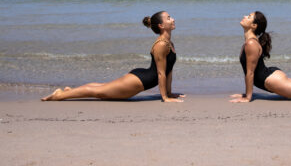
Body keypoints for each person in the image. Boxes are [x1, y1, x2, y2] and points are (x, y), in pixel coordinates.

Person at [42, 11, 185, 103]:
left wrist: (169, 93)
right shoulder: (161, 45)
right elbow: (161, 73)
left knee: (103, 87)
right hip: (138, 82)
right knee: (99, 93)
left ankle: (70, 91)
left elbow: (169, 70)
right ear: (161, 25)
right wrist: (165, 98)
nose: (173, 19)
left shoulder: (168, 42)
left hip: (141, 77)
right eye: (169, 18)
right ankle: (59, 95)